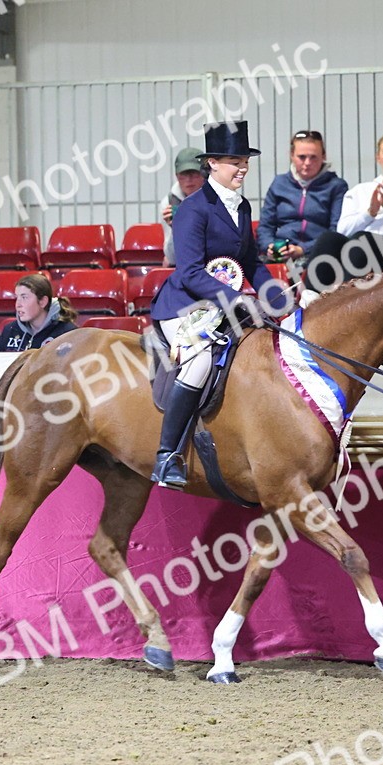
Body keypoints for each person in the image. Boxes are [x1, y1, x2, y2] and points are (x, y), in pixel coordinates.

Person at [149, 120, 287, 490]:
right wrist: (239, 299)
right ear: (212, 163)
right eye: (234, 162)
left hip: (224, 304)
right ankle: (167, 456)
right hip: (185, 305)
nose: (242, 168)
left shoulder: (241, 206)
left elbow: (251, 262)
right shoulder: (192, 209)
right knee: (200, 361)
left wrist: (275, 296)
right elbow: (190, 271)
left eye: (245, 161)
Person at [303, 131, 383, 293]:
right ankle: (311, 298)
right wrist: (370, 213)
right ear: (378, 158)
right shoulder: (361, 190)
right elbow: (343, 230)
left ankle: (348, 298)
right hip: (362, 248)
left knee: (362, 240)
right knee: (329, 239)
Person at [255, 129, 347, 264]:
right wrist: (269, 246)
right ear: (292, 155)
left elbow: (336, 230)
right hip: (280, 251)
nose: (307, 163)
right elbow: (265, 225)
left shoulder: (336, 186)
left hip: (319, 254)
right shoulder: (279, 183)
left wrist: (303, 249)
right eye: (302, 157)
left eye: (313, 157)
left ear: (323, 156)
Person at [0, 273, 79, 352]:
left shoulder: (68, 333)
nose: (18, 304)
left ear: (43, 302)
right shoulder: (9, 330)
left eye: (24, 297)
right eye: (17, 298)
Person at [159, 147, 207, 266]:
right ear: (177, 176)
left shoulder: (218, 198)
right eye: (183, 175)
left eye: (194, 174)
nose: (188, 180)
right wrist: (176, 228)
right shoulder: (169, 203)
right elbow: (172, 258)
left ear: (205, 174)